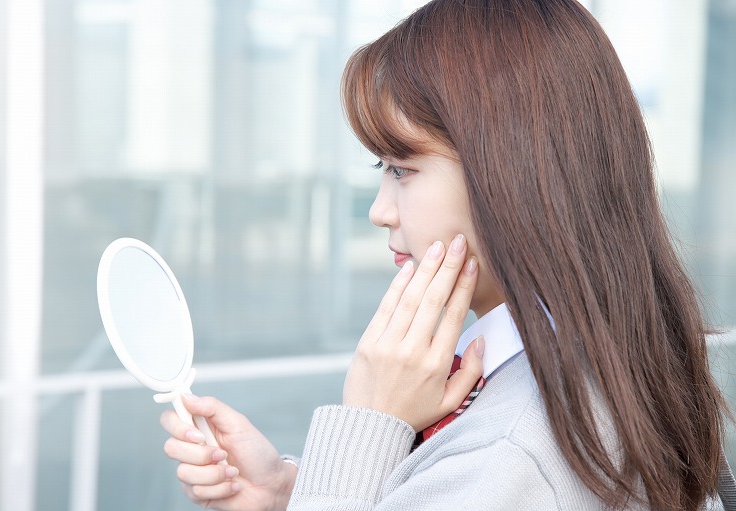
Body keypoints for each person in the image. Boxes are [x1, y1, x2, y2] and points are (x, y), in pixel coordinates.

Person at [160, 0, 731, 509]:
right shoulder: (608, 364)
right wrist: (292, 492)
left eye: (402, 169)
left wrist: (367, 425)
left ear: (513, 174)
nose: (380, 210)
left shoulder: (512, 451)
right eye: (381, 168)